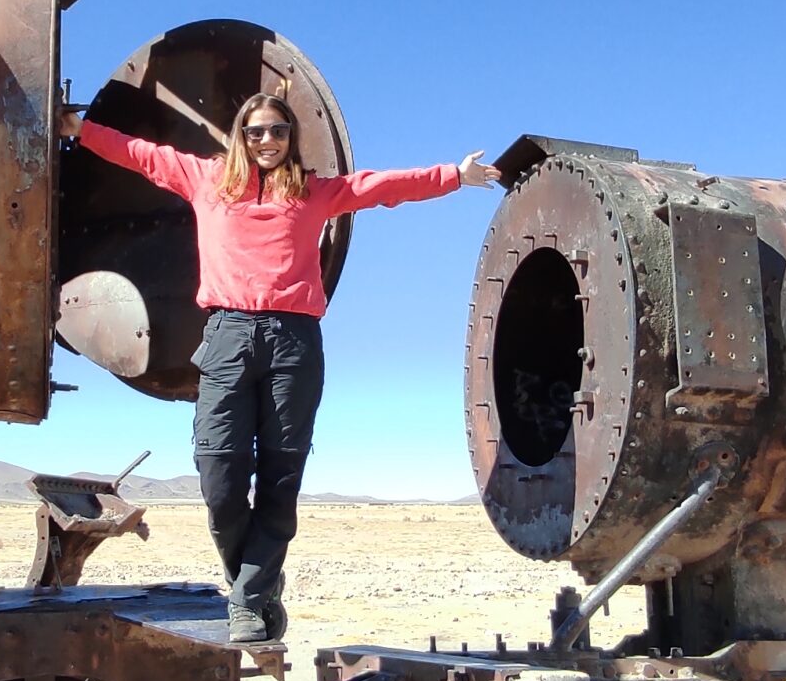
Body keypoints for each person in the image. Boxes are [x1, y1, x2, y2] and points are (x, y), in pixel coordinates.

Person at [62, 93, 501, 643]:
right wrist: (79, 128)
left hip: (293, 343)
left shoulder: (313, 193)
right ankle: (257, 581)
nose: (266, 141)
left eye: (276, 131)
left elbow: (382, 189)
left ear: (290, 137)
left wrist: (453, 175)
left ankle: (246, 600)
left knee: (280, 478)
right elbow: (139, 153)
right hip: (226, 336)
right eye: (254, 132)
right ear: (238, 136)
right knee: (218, 473)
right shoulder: (207, 180)